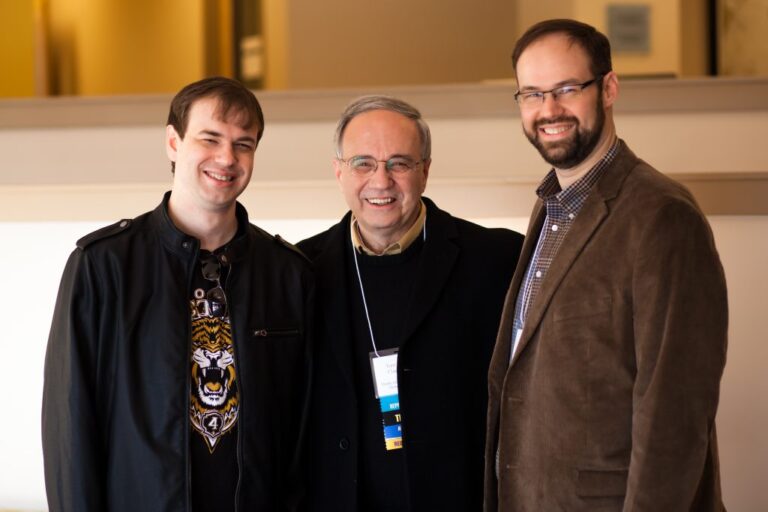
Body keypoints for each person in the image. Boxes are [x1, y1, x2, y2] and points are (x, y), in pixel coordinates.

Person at [484, 19, 728, 511]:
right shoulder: (551, 207)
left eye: (567, 89)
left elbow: (675, 415)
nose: (548, 110)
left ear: (609, 88)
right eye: (531, 94)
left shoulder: (663, 217)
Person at [42, 76, 313, 512]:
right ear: (173, 142)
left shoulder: (289, 274)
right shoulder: (102, 266)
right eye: (210, 138)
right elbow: (70, 429)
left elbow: (305, 433)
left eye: (243, 144)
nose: (227, 158)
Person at [297, 95, 523, 511]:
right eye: (363, 163)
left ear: (425, 171)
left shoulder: (498, 260)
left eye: (399, 163)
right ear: (339, 172)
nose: (381, 181)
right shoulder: (298, 271)